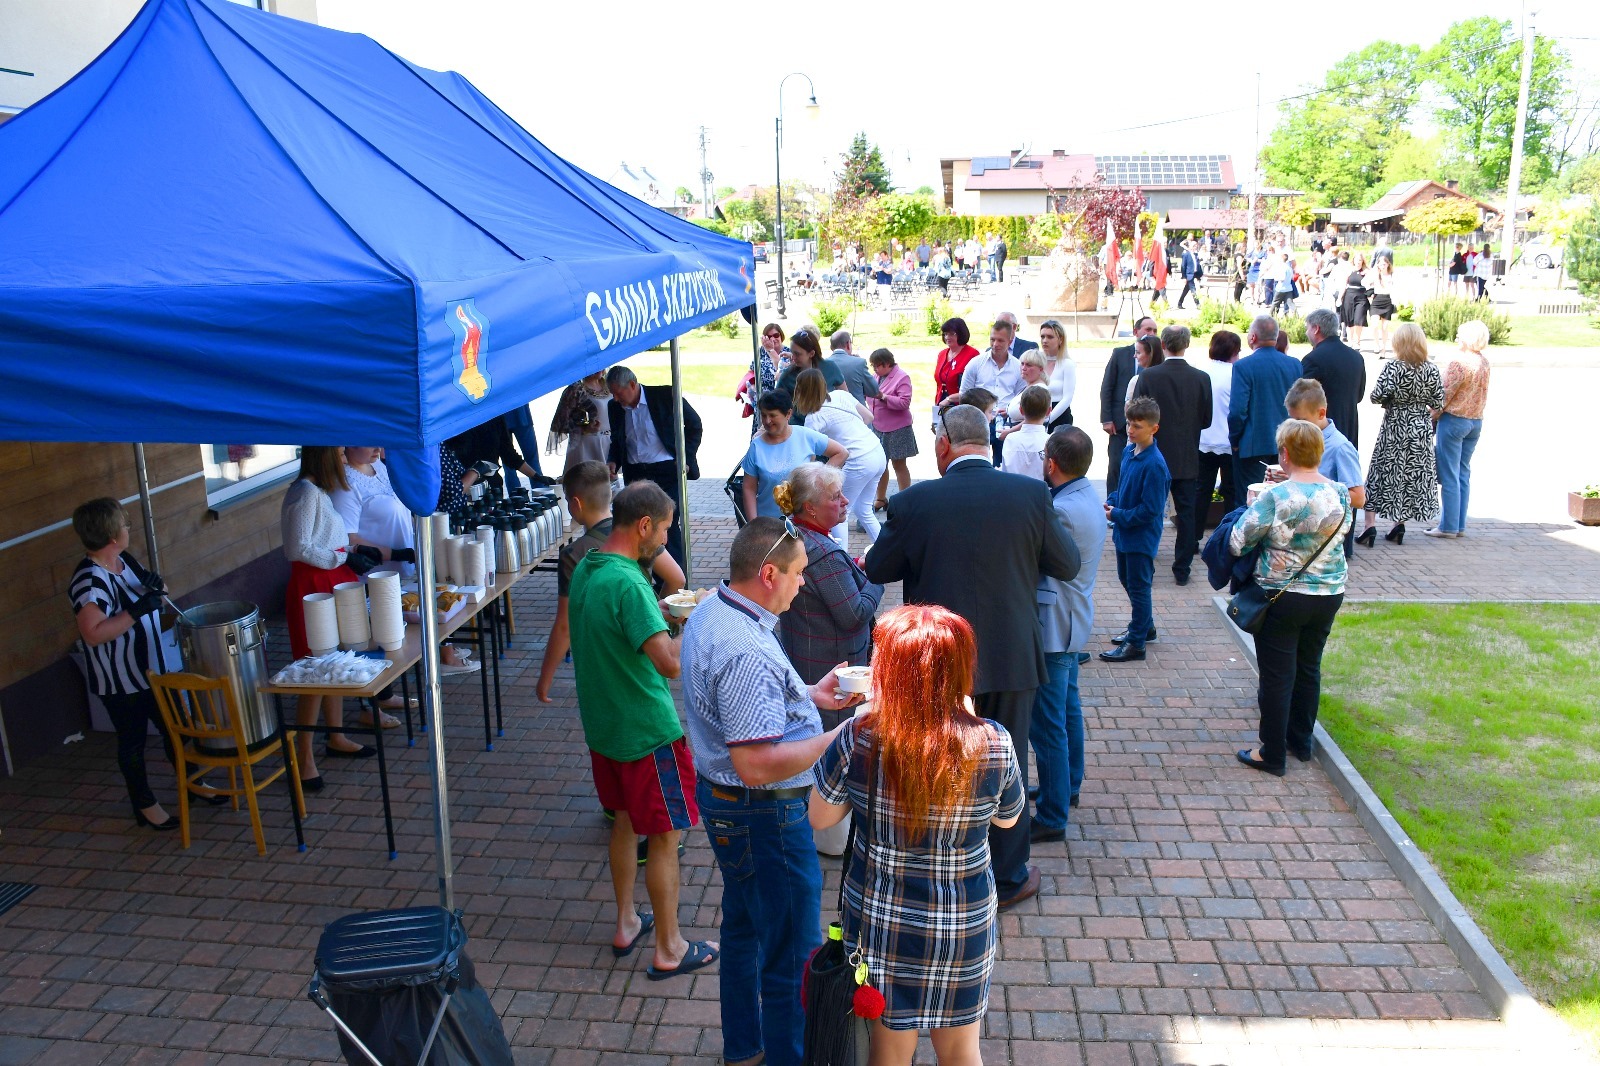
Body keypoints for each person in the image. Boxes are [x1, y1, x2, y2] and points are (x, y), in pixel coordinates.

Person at [864, 404, 1079, 910]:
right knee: (1010, 759)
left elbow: (877, 567)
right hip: (1011, 656)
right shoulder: (1030, 495)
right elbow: (1067, 564)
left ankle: (933, 863)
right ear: (988, 440)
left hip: (938, 658)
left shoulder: (914, 502)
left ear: (944, 445)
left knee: (935, 755)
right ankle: (1008, 875)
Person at [681, 517, 864, 1066]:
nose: (803, 583)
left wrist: (809, 695)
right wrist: (841, 735)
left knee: (743, 928)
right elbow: (756, 765)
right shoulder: (746, 650)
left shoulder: (718, 608)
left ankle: (744, 1047)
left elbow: (750, 705)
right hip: (764, 814)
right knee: (791, 957)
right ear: (768, 573)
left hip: (732, 808)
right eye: (798, 573)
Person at [809, 604, 1024, 1065]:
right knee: (962, 1052)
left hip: (882, 923)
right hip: (963, 923)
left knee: (888, 1053)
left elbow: (820, 818)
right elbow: (1008, 819)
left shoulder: (860, 738)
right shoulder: (994, 742)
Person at [568, 482, 715, 979]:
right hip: (646, 732)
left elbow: (622, 631)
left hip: (605, 729)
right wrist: (693, 619)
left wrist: (666, 616)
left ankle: (627, 921)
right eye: (666, 530)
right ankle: (670, 948)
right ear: (644, 525)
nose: (667, 540)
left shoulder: (589, 567)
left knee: (625, 824)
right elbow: (669, 663)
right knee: (665, 837)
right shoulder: (630, 585)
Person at [69, 497, 214, 830]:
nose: (128, 528)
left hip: (155, 670)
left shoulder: (124, 560)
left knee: (177, 728)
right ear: (111, 535)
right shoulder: (89, 581)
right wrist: (135, 612)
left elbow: (156, 596)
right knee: (132, 742)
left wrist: (157, 587)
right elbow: (93, 634)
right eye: (125, 524)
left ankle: (193, 782)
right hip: (121, 680)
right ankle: (144, 804)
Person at [1229, 420, 1352, 777]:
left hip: (1282, 595)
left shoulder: (1275, 496)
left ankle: (1272, 754)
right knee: (1309, 668)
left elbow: (1238, 542)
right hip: (1329, 592)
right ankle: (1301, 742)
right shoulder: (1340, 492)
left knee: (1277, 676)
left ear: (1284, 454)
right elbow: (1342, 532)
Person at [536, 462, 685, 704]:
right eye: (665, 530)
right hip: (641, 689)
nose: (665, 539)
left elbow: (565, 625)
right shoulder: (639, 536)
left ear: (575, 503)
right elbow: (677, 578)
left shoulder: (578, 557)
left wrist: (545, 678)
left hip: (604, 681)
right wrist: (676, 624)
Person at [280, 447, 377, 792]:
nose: (343, 456)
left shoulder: (316, 491)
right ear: (323, 454)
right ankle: (303, 757)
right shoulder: (305, 493)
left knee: (334, 663)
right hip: (313, 587)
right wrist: (342, 559)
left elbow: (324, 540)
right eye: (337, 451)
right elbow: (298, 548)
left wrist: (351, 553)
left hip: (329, 579)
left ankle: (336, 737)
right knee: (315, 671)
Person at [1030, 428, 1104, 841]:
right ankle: (1067, 785)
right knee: (1067, 709)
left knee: (1047, 724)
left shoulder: (1060, 510)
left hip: (1054, 625)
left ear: (1052, 463)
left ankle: (1053, 815)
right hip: (1073, 617)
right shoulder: (1085, 495)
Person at [1133, 325, 1214, 586]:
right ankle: (1182, 567)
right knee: (1187, 513)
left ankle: (1145, 563)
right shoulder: (1201, 378)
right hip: (1187, 454)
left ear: (1163, 345)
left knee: (1150, 510)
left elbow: (1136, 415)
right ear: (1187, 344)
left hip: (1154, 453)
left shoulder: (1149, 376)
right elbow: (1206, 419)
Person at [606, 365, 703, 569]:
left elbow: (694, 425)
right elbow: (617, 439)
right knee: (637, 527)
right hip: (635, 474)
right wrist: (613, 461)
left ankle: (676, 579)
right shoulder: (614, 407)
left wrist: (685, 456)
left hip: (666, 471)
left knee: (666, 525)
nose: (615, 398)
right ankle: (646, 576)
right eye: (612, 393)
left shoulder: (665, 395)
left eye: (618, 392)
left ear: (632, 385)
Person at [1358, 323, 1443, 546]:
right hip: (1420, 428)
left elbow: (1376, 396)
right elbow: (1438, 402)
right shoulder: (1431, 369)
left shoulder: (1394, 367)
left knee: (1381, 472)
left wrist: (1391, 400)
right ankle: (1399, 524)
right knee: (1409, 476)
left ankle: (1369, 525)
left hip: (1395, 425)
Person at [1100, 397, 1170, 664]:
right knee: (1126, 579)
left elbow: (1150, 510)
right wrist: (1113, 500)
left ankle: (1137, 642)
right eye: (1129, 423)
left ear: (1154, 428)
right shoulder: (1130, 452)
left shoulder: (1155, 465)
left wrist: (1117, 514)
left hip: (1140, 538)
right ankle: (1145, 626)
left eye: (1137, 426)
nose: (1130, 430)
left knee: (1139, 587)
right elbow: (1124, 487)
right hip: (1124, 532)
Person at [791, 368, 885, 548]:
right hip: (876, 451)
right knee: (863, 509)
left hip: (859, 460)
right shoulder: (841, 395)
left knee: (840, 511)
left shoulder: (813, 417)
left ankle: (843, 558)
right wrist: (850, 431)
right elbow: (869, 417)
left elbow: (810, 457)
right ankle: (887, 552)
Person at [1283, 378, 1365, 558]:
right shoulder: (1301, 439)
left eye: (1302, 421)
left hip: (1325, 540)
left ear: (1321, 413)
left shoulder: (1340, 447)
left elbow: (1359, 498)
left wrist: (1315, 489)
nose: (1296, 427)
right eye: (1293, 421)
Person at [1428, 320, 1491, 539]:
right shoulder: (1484, 362)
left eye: (1459, 334)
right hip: (1475, 421)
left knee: (1449, 475)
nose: (1457, 337)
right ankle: (1459, 524)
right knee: (1463, 472)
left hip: (1454, 421)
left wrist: (1431, 415)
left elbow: (1443, 395)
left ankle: (1448, 526)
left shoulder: (1459, 363)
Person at [741, 389, 846, 520]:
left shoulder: (805, 435)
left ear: (788, 414)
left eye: (772, 415)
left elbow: (841, 452)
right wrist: (753, 522)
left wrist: (820, 479)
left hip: (804, 521)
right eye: (764, 415)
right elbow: (749, 488)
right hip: (768, 521)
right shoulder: (756, 446)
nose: (767, 421)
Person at [1228, 316, 1304, 494]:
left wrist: (1235, 440)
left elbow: (1238, 411)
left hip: (1253, 445)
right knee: (1284, 497)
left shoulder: (1243, 366)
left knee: (1251, 498)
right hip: (1288, 442)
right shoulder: (1294, 365)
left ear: (1253, 337)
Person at [1099, 316, 1157, 494]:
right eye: (1148, 329)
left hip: (1147, 425)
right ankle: (1112, 502)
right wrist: (1106, 418)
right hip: (1119, 423)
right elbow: (1107, 387)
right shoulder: (1120, 354)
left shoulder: (1158, 360)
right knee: (1116, 466)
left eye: (1155, 330)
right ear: (1136, 331)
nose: (1152, 333)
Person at [956, 319, 1026, 466]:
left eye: (1000, 340)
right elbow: (964, 395)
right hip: (979, 421)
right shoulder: (975, 363)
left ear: (1010, 341)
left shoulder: (1018, 367)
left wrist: (1009, 411)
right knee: (978, 463)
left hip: (1006, 422)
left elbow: (1020, 396)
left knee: (1004, 463)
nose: (995, 344)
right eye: (992, 339)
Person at [1300, 308, 1367, 449]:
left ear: (1316, 329)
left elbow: (1301, 398)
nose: (1306, 333)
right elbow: (1359, 396)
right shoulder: (1356, 357)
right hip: (1349, 429)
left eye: (1308, 328)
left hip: (1323, 433)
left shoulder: (1313, 359)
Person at [1197, 329, 1240, 532]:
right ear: (1234, 351)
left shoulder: (1201, 371)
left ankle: (1194, 536)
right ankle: (1229, 534)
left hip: (1203, 438)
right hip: (1229, 441)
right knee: (1231, 491)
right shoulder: (1236, 373)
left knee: (1201, 490)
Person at [868, 348, 917, 512]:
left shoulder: (902, 377)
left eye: (877, 365)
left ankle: (905, 500)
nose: (874, 369)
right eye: (873, 366)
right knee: (881, 465)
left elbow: (904, 402)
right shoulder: (876, 376)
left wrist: (884, 397)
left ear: (887, 363)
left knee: (899, 465)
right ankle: (881, 498)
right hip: (878, 427)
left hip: (898, 429)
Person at [448, 414, 548, 494]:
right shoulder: (455, 419)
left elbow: (509, 455)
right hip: (464, 488)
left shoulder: (495, 417)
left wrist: (536, 476)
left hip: (493, 488)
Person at [548, 373, 613, 473]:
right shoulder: (575, 389)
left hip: (608, 443)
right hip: (585, 446)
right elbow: (561, 422)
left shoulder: (608, 385)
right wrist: (585, 428)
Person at [775, 329, 844, 420]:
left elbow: (845, 395)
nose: (793, 357)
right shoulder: (787, 375)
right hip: (799, 426)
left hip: (828, 423)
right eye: (792, 352)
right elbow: (776, 404)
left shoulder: (830, 367)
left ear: (811, 353)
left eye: (797, 354)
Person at [999, 385, 1052, 481]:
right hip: (1041, 490)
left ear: (1021, 410)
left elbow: (1005, 472)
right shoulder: (1051, 442)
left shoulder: (1010, 439)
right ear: (1049, 411)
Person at [1037, 319, 1076, 430]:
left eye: (1050, 337)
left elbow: (1067, 398)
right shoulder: (1036, 361)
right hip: (1035, 414)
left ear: (1060, 340)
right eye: (1042, 337)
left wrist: (1047, 420)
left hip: (1059, 418)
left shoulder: (1067, 364)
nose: (1045, 340)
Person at [933, 317, 979, 410]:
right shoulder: (942, 354)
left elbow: (974, 388)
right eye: (945, 334)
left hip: (963, 406)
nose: (947, 337)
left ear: (961, 334)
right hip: (941, 403)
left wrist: (950, 399)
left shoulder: (973, 355)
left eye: (951, 334)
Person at [501, 401, 545, 492]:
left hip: (501, 415)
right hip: (521, 413)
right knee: (532, 459)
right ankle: (540, 493)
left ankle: (515, 496)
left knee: (508, 463)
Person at [826, 330, 880, 404]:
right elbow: (874, 391)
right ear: (848, 344)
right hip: (856, 409)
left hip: (831, 409)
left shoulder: (824, 364)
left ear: (831, 347)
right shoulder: (859, 363)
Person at [1339, 254, 1370, 353]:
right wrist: (1340, 297)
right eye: (1357, 260)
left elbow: (1370, 285)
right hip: (1349, 295)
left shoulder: (1366, 272)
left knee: (1359, 318)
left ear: (1362, 261)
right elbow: (1344, 285)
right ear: (1353, 261)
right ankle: (1351, 340)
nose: (1358, 262)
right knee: (1349, 319)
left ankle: (1357, 341)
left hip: (1361, 296)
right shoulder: (1349, 271)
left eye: (1360, 260)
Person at [1368, 256, 1396, 355]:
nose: (1383, 266)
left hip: (1387, 300)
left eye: (1384, 264)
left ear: (1388, 264)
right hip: (1377, 300)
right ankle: (1376, 344)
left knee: (1385, 326)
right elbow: (1364, 282)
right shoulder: (1375, 274)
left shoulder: (1391, 275)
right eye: (1381, 264)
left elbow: (1395, 288)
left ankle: (1384, 348)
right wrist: (1370, 292)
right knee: (1374, 324)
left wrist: (1395, 301)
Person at [1176, 239, 1202, 309]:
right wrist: (1184, 277)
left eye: (1196, 246)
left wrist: (1199, 275)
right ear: (1190, 246)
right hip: (1189, 275)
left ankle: (1179, 303)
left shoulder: (1196, 255)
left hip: (1194, 274)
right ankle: (1198, 304)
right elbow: (1183, 266)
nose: (1195, 247)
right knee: (1193, 289)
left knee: (1186, 290)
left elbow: (1197, 265)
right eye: (1193, 246)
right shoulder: (1186, 254)